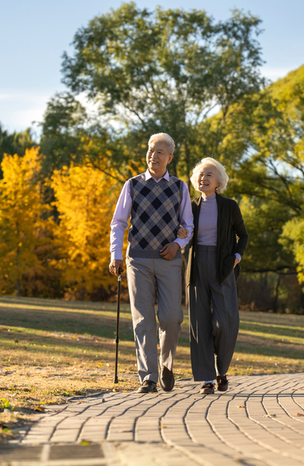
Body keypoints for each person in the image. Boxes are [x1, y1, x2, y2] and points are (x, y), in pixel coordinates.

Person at [109, 133, 193, 394]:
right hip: (138, 260)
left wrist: (177, 245)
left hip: (169, 261)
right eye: (150, 150)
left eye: (159, 152)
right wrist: (116, 254)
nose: (153, 155)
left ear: (169, 157)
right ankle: (148, 377)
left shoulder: (180, 187)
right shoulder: (132, 185)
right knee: (143, 319)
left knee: (171, 317)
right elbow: (119, 222)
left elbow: (189, 226)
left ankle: (166, 364)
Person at [182, 157, 248, 394]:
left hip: (223, 269)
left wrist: (236, 258)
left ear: (219, 180)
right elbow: (183, 236)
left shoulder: (230, 206)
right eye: (200, 174)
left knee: (225, 323)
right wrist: (181, 235)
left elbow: (243, 236)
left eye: (209, 174)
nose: (203, 178)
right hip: (197, 267)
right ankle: (208, 378)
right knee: (199, 325)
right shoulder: (190, 206)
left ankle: (222, 370)